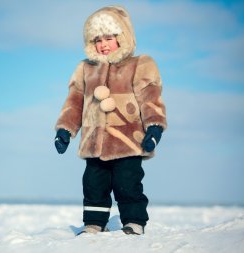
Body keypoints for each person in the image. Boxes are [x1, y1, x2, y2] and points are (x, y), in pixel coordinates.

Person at [54, 5, 167, 235]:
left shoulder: (139, 65)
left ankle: (134, 222)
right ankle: (94, 223)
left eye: (108, 37)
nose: (103, 44)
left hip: (128, 142)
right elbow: (74, 102)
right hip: (93, 144)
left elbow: (150, 99)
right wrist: (65, 130)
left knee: (128, 183)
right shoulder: (86, 69)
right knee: (93, 185)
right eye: (97, 39)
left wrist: (154, 128)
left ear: (122, 37)